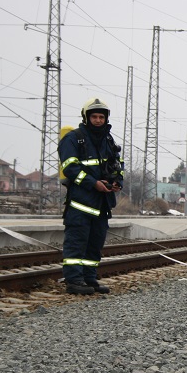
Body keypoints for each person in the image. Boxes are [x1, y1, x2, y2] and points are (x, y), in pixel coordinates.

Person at [59, 98, 124, 295]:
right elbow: (70, 167)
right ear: (86, 117)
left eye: (101, 117)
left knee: (95, 244)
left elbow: (117, 166)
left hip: (102, 204)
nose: (98, 120)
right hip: (80, 204)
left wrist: (117, 182)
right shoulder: (73, 138)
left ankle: (89, 278)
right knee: (77, 243)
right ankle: (74, 281)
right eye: (94, 116)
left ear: (106, 119)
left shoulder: (108, 140)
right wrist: (93, 183)